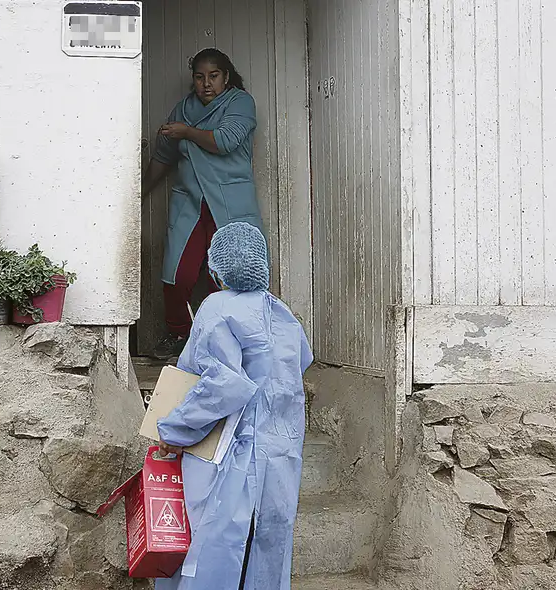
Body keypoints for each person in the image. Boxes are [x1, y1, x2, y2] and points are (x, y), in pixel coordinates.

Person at [155, 222, 314, 590]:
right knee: (269, 552)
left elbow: (224, 385)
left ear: (216, 268)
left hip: (232, 453)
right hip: (281, 452)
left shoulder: (217, 307)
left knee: (215, 552)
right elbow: (299, 363)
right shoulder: (283, 313)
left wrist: (175, 429)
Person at [142, 48, 267, 360]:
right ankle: (179, 334)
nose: (206, 83)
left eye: (213, 76)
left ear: (226, 77)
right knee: (177, 274)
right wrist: (140, 192)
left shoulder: (240, 102)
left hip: (229, 202)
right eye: (199, 77)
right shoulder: (183, 109)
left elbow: (224, 141)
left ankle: (229, 343)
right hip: (191, 204)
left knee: (231, 274)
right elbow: (163, 157)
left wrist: (185, 132)